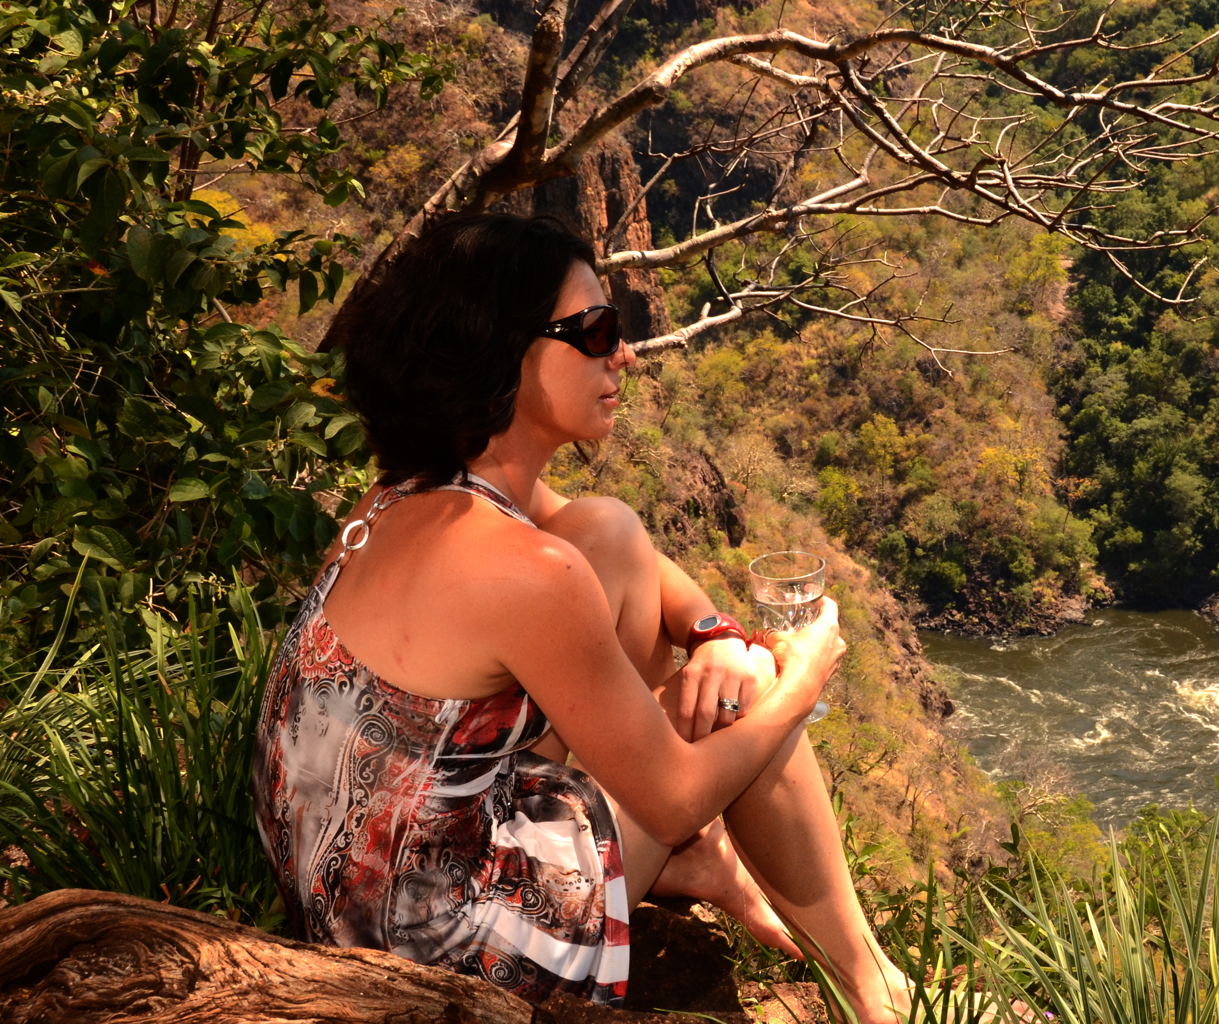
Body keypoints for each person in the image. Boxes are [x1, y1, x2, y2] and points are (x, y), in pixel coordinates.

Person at [252, 213, 910, 1020]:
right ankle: (875, 991)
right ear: (501, 348)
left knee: (612, 531)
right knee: (755, 696)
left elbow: (637, 563)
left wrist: (714, 636)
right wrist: (797, 683)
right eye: (595, 331)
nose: (624, 354)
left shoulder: (407, 498)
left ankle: (685, 867)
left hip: (347, 910)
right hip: (447, 959)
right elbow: (674, 798)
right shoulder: (527, 572)